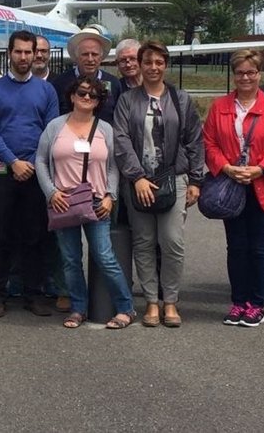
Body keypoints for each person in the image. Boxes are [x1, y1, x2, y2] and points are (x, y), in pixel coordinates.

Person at [202, 49, 264, 327]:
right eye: (240, 72)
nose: (245, 78)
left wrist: (261, 169)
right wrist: (226, 167)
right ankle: (238, 301)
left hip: (263, 184)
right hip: (231, 185)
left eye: (251, 72)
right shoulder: (220, 106)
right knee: (236, 246)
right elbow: (209, 142)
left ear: (259, 74)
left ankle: (256, 303)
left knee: (259, 246)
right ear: (234, 75)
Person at [113, 41, 203, 327]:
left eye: (159, 62)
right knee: (144, 242)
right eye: (148, 62)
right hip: (138, 182)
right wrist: (137, 177)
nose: (153, 67)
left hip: (174, 179)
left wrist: (196, 179)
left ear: (166, 65)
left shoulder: (180, 99)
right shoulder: (128, 100)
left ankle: (171, 301)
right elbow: (121, 139)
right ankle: (152, 302)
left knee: (172, 241)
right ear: (140, 65)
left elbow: (194, 139)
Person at [38, 76, 135, 329]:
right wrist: (51, 192)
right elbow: (40, 160)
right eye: (82, 93)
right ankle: (78, 308)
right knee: (70, 259)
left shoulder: (105, 129)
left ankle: (126, 308)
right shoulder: (55, 126)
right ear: (72, 96)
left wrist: (110, 196)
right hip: (64, 201)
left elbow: (113, 166)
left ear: (99, 101)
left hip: (97, 201)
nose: (87, 98)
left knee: (105, 256)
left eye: (93, 95)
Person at [0, 30, 59, 318]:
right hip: (3, 170)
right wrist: (13, 162)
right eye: (19, 51)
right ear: (9, 53)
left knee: (34, 235)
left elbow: (51, 132)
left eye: (29, 52)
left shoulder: (46, 91)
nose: (24, 57)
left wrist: (32, 164)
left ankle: (33, 294)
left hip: (36, 172)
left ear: (35, 54)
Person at [52, 27, 120, 118]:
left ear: (101, 57)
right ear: (76, 56)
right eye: (85, 54)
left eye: (94, 54)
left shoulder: (114, 83)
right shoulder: (60, 83)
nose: (90, 59)